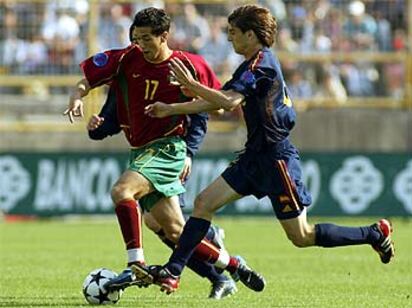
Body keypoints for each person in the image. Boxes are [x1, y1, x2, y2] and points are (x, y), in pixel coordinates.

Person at [139, 4, 395, 294]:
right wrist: (172, 108)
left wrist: (191, 85)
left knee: (302, 236)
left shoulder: (262, 65)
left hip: (277, 161)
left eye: (234, 33)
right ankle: (174, 272)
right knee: (203, 203)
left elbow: (228, 102)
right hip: (254, 157)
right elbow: (219, 100)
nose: (229, 38)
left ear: (251, 34)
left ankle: (373, 233)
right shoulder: (250, 65)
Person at [63, 7, 263, 298]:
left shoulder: (189, 65)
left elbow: (219, 105)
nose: (140, 44)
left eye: (146, 38)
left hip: (168, 148)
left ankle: (135, 263)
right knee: (174, 230)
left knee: (121, 191)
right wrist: (76, 98)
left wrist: (189, 98)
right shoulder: (125, 58)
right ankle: (233, 266)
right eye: (136, 38)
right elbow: (86, 80)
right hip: (140, 151)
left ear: (164, 36)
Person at [86, 85, 235, 299]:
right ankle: (215, 253)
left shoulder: (169, 70)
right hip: (143, 157)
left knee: (171, 228)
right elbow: (112, 120)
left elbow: (200, 113)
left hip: (169, 155)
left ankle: (220, 264)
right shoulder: (122, 76)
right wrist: (96, 128)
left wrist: (190, 152)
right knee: (162, 225)